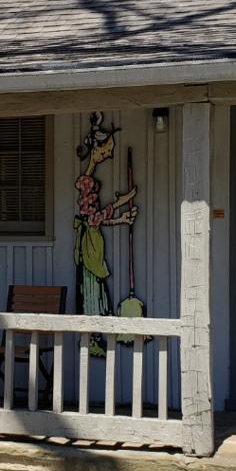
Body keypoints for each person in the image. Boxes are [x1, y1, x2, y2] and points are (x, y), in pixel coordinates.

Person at [73, 112, 137, 356]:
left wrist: (120, 218)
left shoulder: (90, 182)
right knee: (91, 288)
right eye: (108, 149)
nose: (110, 154)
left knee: (97, 288)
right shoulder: (86, 182)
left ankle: (96, 338)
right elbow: (92, 218)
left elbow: (96, 220)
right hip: (88, 245)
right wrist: (120, 203)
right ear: (97, 150)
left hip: (93, 240)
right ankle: (92, 339)